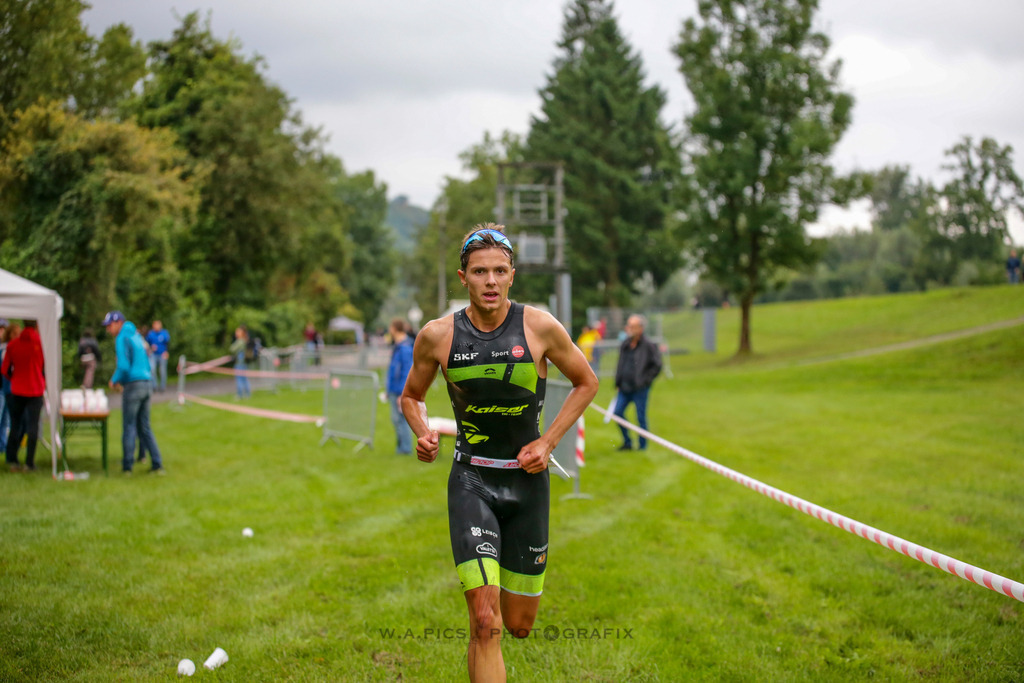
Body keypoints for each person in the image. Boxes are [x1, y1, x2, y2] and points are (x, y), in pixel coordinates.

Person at [401, 223, 598, 682]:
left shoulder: (540, 327)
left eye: (499, 271)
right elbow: (411, 396)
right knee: (484, 621)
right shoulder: (437, 335)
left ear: (512, 276)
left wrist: (547, 442)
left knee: (518, 625)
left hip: (528, 484)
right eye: (479, 272)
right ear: (463, 277)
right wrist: (423, 431)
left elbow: (586, 382)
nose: (490, 281)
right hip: (472, 481)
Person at [104, 311, 163, 475]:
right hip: (147, 382)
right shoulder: (136, 335)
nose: (108, 330)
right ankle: (157, 464)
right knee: (145, 427)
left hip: (134, 385)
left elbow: (123, 366)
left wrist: (114, 380)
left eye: (109, 325)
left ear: (118, 323)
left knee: (129, 426)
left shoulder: (122, 337)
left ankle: (127, 466)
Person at [613, 314, 663, 451]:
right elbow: (620, 364)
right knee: (617, 413)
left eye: (632, 326)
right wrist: (618, 382)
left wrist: (645, 380)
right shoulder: (625, 344)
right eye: (628, 325)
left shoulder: (648, 345)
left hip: (640, 388)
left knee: (640, 417)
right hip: (624, 387)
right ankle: (627, 442)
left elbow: (657, 365)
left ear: (640, 328)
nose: (629, 329)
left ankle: (642, 446)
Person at [2, 320, 45, 472]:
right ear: (36, 325)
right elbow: (45, 367)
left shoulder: (13, 344)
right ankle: (29, 462)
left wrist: (14, 378)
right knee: (32, 426)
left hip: (17, 389)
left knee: (15, 425)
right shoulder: (41, 343)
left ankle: (12, 459)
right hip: (35, 389)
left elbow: (5, 369)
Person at [386, 318, 414, 455]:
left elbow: (406, 372)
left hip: (399, 391)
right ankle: (400, 448)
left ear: (394, 329)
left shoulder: (405, 347)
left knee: (401, 420)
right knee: (396, 420)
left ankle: (405, 449)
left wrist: (402, 393)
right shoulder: (398, 346)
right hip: (394, 390)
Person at [146, 320, 170, 392]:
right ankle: (154, 386)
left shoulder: (164, 333)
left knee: (162, 371)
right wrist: (150, 349)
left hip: (162, 354)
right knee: (152, 370)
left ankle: (162, 387)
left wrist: (166, 352)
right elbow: (146, 344)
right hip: (153, 354)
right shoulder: (151, 334)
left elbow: (168, 344)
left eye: (158, 325)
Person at [230, 326, 251, 400]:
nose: (236, 333)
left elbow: (232, 348)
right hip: (243, 362)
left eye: (237, 332)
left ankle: (240, 394)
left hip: (240, 362)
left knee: (239, 379)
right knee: (244, 378)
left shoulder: (240, 341)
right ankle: (247, 394)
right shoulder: (245, 340)